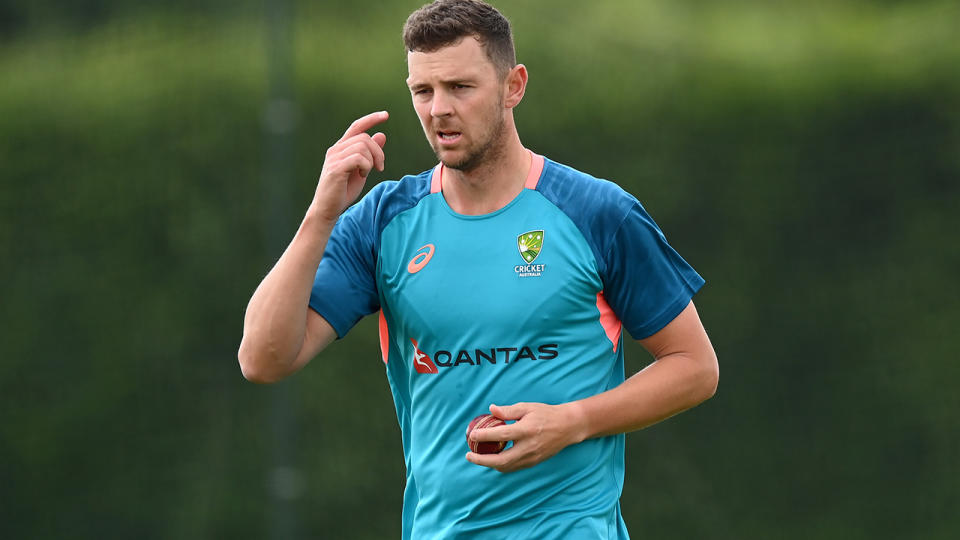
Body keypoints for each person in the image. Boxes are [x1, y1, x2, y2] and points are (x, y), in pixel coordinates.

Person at [239, 0, 718, 537]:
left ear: (513, 86)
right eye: (423, 91)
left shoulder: (597, 212)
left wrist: (572, 423)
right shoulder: (383, 221)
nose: (438, 108)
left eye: (460, 88)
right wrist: (321, 213)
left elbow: (695, 367)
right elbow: (264, 358)